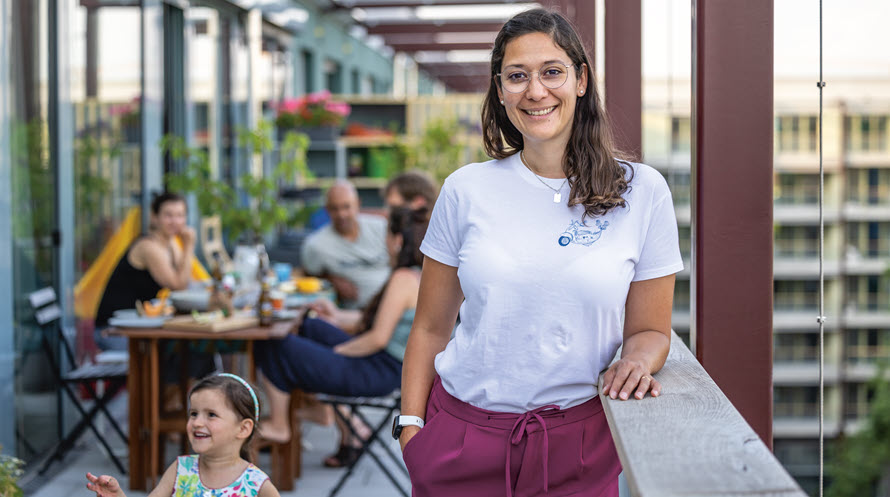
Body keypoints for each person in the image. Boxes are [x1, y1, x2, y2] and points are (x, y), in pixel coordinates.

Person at [397, 8, 684, 497]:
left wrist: (636, 361)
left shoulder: (642, 192)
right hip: (459, 439)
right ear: (499, 89)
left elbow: (650, 331)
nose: (535, 91)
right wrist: (411, 432)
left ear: (580, 80)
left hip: (580, 446)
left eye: (552, 71)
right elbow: (430, 327)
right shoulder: (465, 189)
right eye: (516, 76)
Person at [255, 206, 430, 467]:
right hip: (389, 367)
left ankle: (280, 424)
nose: (384, 244)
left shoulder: (403, 278)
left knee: (275, 344)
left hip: (379, 371)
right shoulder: (417, 276)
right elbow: (377, 324)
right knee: (311, 327)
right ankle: (319, 411)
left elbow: (378, 338)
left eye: (387, 237)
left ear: (398, 241)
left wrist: (335, 355)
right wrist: (335, 315)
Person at [85, 373, 280, 497]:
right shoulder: (181, 469)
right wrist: (117, 495)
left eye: (211, 415)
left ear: (243, 429)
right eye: (193, 413)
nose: (196, 422)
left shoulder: (256, 483)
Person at [94, 192, 195, 350]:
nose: (175, 221)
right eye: (168, 215)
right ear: (155, 217)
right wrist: (189, 246)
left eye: (180, 215)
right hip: (114, 330)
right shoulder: (148, 247)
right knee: (177, 350)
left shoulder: (170, 244)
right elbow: (179, 285)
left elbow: (185, 280)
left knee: (184, 348)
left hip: (138, 326)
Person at [300, 181, 390, 309]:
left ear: (358, 204)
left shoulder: (382, 228)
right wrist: (331, 279)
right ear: (327, 209)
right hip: (358, 313)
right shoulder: (316, 245)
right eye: (334, 209)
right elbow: (308, 275)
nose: (341, 214)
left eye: (346, 207)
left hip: (396, 305)